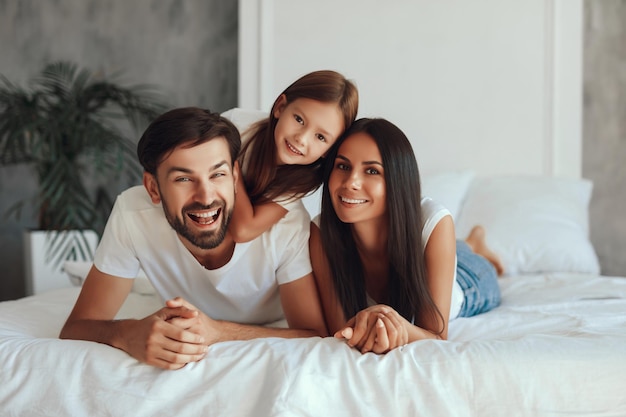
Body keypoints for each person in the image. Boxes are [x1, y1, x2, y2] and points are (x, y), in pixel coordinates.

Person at [60, 107, 327, 370]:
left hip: (271, 324)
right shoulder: (133, 213)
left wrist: (218, 331)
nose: (206, 196)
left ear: (234, 176)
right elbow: (77, 326)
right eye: (184, 179)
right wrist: (127, 332)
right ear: (153, 188)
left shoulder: (286, 224)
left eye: (217, 174)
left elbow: (312, 334)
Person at [309, 118, 502, 355]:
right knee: (456, 250)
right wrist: (377, 321)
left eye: (372, 171)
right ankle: (469, 242)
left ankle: (476, 241)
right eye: (343, 166)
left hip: (467, 279)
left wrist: (389, 320)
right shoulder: (320, 233)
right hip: (436, 251)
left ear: (396, 180)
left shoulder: (435, 221)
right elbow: (339, 330)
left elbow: (437, 337)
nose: (351, 182)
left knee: (475, 262)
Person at [229, 70, 358, 242]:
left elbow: (243, 231)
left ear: (329, 149)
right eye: (299, 120)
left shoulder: (299, 182)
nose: (302, 139)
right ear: (280, 107)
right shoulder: (238, 123)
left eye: (320, 137)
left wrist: (228, 164)